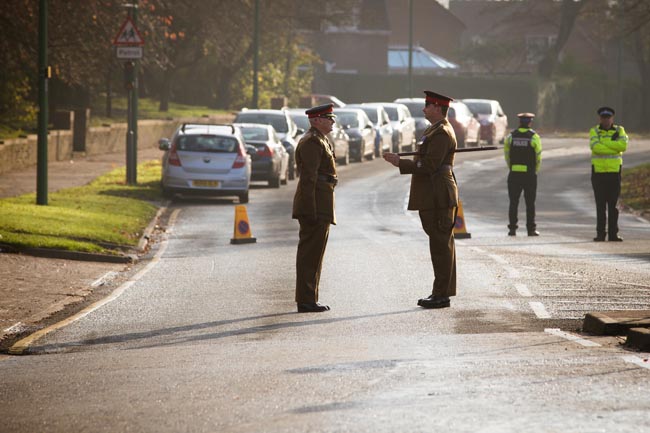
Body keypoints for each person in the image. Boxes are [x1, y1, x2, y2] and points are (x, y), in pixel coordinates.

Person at [383, 91, 458, 309]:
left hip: (438, 194)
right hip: (433, 194)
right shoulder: (433, 130)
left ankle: (441, 295)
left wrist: (401, 162)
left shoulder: (442, 132)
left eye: (428, 105)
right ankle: (440, 292)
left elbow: (430, 165)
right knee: (439, 244)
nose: (424, 109)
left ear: (438, 108)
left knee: (441, 246)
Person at [292, 103, 338, 312]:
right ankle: (306, 300)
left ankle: (310, 297)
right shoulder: (312, 142)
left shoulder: (320, 139)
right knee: (310, 254)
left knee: (315, 253)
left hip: (321, 201)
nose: (332, 122)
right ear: (317, 120)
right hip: (315, 204)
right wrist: (310, 209)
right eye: (329, 118)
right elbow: (309, 178)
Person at [590, 106, 628, 242]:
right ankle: (600, 234)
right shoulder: (594, 131)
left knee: (613, 206)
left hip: (614, 172)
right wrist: (613, 145)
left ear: (612, 118)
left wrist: (604, 144)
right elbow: (595, 147)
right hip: (598, 173)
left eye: (608, 117)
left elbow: (623, 146)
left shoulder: (620, 130)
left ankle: (613, 234)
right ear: (600, 118)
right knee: (600, 205)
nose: (606, 120)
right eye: (603, 117)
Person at [503, 113, 542, 236]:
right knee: (530, 203)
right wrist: (535, 170)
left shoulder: (511, 137)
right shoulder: (534, 137)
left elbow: (507, 155)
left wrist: (511, 167)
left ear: (519, 122)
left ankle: (512, 229)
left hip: (514, 174)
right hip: (529, 175)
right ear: (530, 122)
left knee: (513, 202)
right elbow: (538, 157)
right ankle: (531, 229)